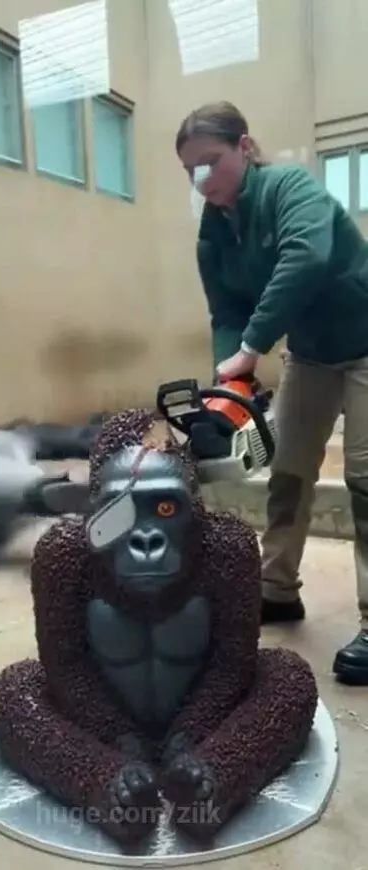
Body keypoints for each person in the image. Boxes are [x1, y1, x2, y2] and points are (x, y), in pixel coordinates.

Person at [175, 100, 368, 685]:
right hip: (309, 353)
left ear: (247, 149)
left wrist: (252, 345)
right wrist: (229, 377)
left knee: (365, 479)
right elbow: (225, 310)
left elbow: (304, 258)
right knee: (286, 470)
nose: (201, 179)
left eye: (210, 161)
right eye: (190, 171)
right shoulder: (213, 229)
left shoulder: (289, 189)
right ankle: (277, 589)